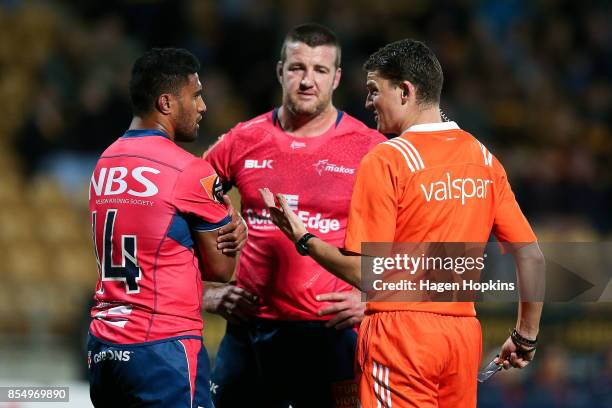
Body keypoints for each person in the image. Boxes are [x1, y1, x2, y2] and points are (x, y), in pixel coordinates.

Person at [261, 39, 545, 408]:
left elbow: (367, 274)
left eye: (374, 90)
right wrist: (525, 337)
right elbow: (532, 256)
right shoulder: (483, 159)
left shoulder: (387, 160)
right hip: (461, 335)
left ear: (405, 91)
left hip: (400, 337)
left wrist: (303, 238)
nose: (367, 103)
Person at [203, 23, 386, 408]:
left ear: (336, 78)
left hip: (333, 334)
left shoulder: (371, 149)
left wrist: (373, 300)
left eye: (320, 70)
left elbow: (413, 237)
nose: (307, 81)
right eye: (297, 68)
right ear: (279, 71)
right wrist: (206, 292)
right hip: (250, 332)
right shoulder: (242, 139)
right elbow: (180, 210)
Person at [87, 48, 247, 408]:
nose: (203, 106)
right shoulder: (189, 170)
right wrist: (237, 231)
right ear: (166, 103)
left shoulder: (104, 163)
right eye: (196, 95)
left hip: (104, 346)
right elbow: (222, 269)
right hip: (163, 348)